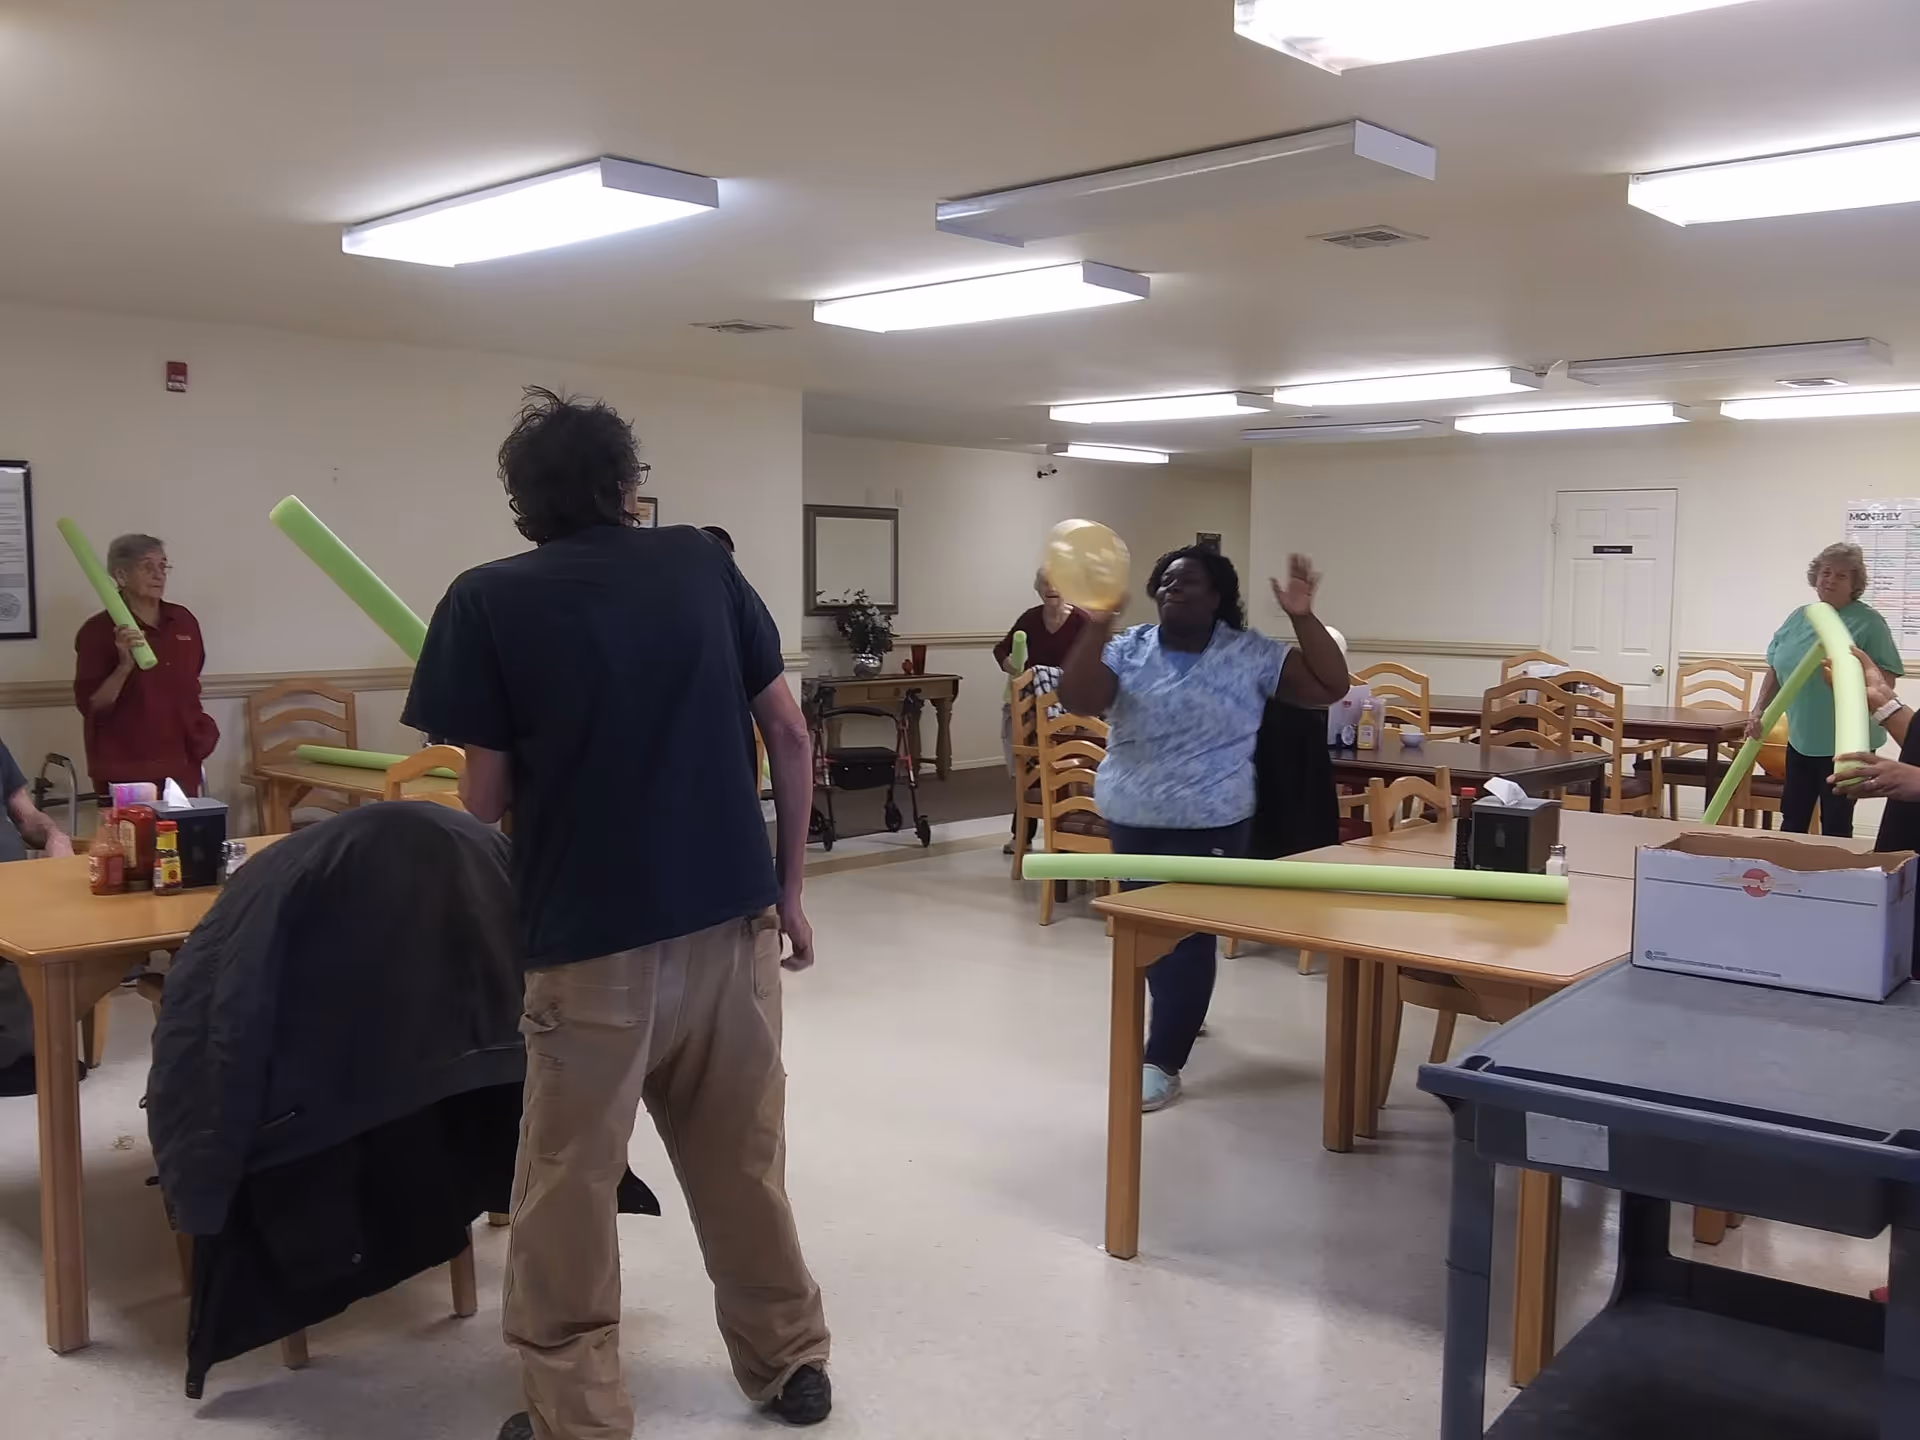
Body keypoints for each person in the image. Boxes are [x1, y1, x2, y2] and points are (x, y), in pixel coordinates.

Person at [401, 387, 830, 1440]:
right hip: (733, 931)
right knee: (743, 1161)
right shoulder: (701, 563)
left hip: (592, 949)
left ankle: (575, 1414)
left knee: (567, 1188)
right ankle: (789, 1365)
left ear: (521, 500)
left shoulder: (485, 600)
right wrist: (790, 894)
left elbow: (486, 801)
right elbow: (788, 735)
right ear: (626, 486)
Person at [1058, 547, 1349, 1111]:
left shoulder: (1248, 654)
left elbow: (1328, 686)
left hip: (1211, 819)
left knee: (1187, 938)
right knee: (1146, 930)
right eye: (1165, 580)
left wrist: (1302, 617)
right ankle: (1180, 1013)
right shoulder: (1129, 648)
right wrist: (1098, 624)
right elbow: (1078, 696)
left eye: (1188, 581)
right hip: (1132, 814)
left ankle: (1163, 1057)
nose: (1173, 588)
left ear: (1218, 595)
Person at [1746, 543, 1903, 838]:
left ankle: (1836, 879)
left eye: (1841, 576)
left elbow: (1887, 679)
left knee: (1835, 821)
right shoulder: (1799, 616)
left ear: (1854, 584)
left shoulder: (1869, 622)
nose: (1830, 579)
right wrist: (1758, 711)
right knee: (1792, 816)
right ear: (1815, 577)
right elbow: (1777, 666)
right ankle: (1787, 876)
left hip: (1846, 743)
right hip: (1802, 736)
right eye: (1825, 572)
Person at [72, 534, 218, 796]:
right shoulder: (97, 631)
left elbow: (190, 679)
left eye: (163, 566)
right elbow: (92, 705)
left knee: (185, 835)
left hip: (181, 759)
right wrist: (124, 666)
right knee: (133, 837)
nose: (158, 575)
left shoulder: (183, 620)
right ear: (121, 575)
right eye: (146, 566)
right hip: (125, 765)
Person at [0, 738, 74, 1095]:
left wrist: (54, 836)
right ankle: (16, 1056)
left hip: (18, 888)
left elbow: (25, 814)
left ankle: (34, 1050)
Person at [994, 573, 1088, 853]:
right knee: (1030, 768)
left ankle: (1069, 833)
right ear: (1038, 588)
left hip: (1071, 710)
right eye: (1046, 583)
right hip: (1031, 707)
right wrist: (1009, 664)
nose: (1052, 588)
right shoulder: (1030, 619)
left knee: (1067, 768)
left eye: (1058, 581)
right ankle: (1021, 836)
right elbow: (1001, 650)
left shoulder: (1081, 621)